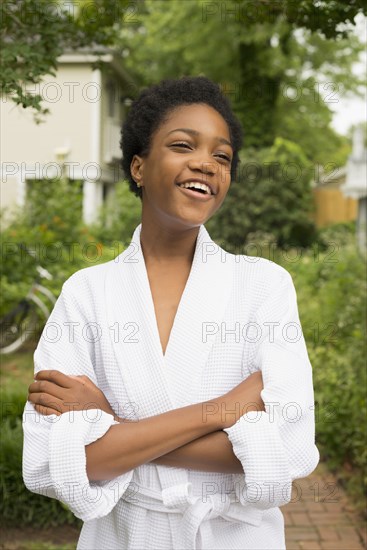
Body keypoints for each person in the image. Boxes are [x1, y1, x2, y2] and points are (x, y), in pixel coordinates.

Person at [23, 76, 319, 550]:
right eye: (183, 145)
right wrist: (221, 411)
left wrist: (115, 429)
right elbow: (52, 458)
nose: (206, 163)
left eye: (222, 157)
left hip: (233, 537)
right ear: (138, 167)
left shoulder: (263, 286)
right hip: (125, 535)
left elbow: (288, 447)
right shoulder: (86, 293)